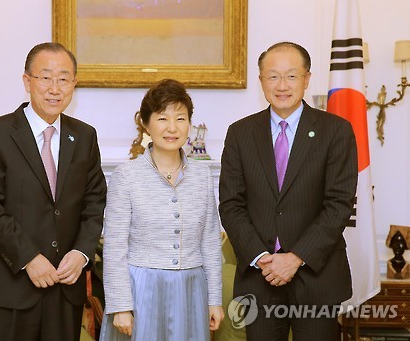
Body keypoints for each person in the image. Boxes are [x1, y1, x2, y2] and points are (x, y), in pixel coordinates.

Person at [219, 42, 358, 340]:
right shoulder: (240, 133)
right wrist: (262, 258)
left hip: (317, 277)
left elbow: (339, 204)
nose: (282, 86)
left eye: (291, 76)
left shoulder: (336, 131)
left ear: (307, 79)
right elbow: (231, 204)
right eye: (273, 76)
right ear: (261, 81)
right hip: (260, 276)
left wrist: (295, 258)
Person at [0, 42, 107, 341]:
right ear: (27, 81)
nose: (54, 88)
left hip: (64, 287)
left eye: (63, 79)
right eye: (45, 77)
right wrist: (29, 258)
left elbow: (94, 201)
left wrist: (82, 252)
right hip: (11, 289)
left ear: (74, 84)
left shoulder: (84, 136)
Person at [99, 79, 224, 341]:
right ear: (146, 124)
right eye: (162, 118)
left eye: (180, 118)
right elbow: (115, 246)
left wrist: (214, 300)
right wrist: (121, 306)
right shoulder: (126, 176)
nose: (172, 127)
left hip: (191, 290)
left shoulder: (202, 175)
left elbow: (210, 242)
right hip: (141, 290)